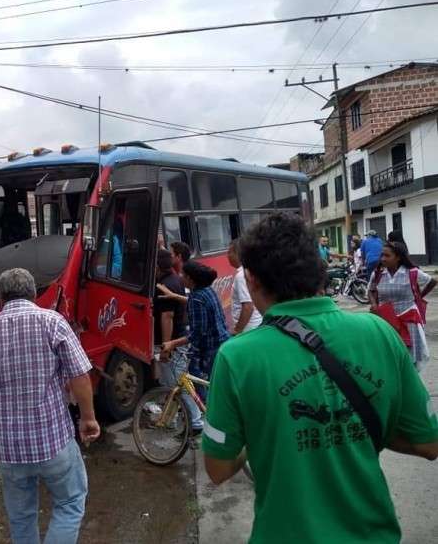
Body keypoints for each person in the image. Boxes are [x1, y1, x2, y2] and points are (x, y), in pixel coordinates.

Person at [201, 212, 438, 544]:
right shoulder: (380, 333)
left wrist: (265, 434)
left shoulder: (236, 357)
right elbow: (428, 442)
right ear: (320, 269)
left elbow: (218, 468)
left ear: (251, 279)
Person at [0, 268, 100, 544]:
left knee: (21, 516)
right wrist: (88, 418)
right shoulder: (53, 322)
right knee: (70, 502)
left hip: (9, 449)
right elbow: (80, 375)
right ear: (34, 294)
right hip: (53, 442)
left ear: (0, 298)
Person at [162, 260, 230, 399]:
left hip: (211, 350)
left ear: (190, 279)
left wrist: (172, 343)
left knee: (207, 387)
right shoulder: (206, 290)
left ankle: (207, 409)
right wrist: (174, 296)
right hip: (222, 343)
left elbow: (197, 333)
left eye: (183, 274)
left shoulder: (196, 298)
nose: (180, 277)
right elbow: (195, 302)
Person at [369, 241, 437, 371]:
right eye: (381, 255)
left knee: (410, 357)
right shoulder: (377, 274)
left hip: (409, 320)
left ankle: (411, 381)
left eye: (387, 256)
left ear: (398, 257)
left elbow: (432, 281)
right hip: (386, 321)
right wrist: (373, 304)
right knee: (389, 353)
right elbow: (371, 290)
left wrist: (419, 296)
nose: (383, 259)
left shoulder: (412, 272)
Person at [155, 250, 203, 431]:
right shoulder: (174, 280)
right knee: (174, 384)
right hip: (179, 339)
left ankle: (196, 421)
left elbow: (167, 316)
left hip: (174, 342)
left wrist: (166, 348)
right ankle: (171, 419)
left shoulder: (166, 285)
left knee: (177, 385)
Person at [227, 239, 262, 334]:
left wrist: (237, 330)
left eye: (229, 252)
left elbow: (248, 306)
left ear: (237, 254)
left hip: (248, 329)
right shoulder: (249, 271)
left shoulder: (241, 276)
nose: (227, 256)